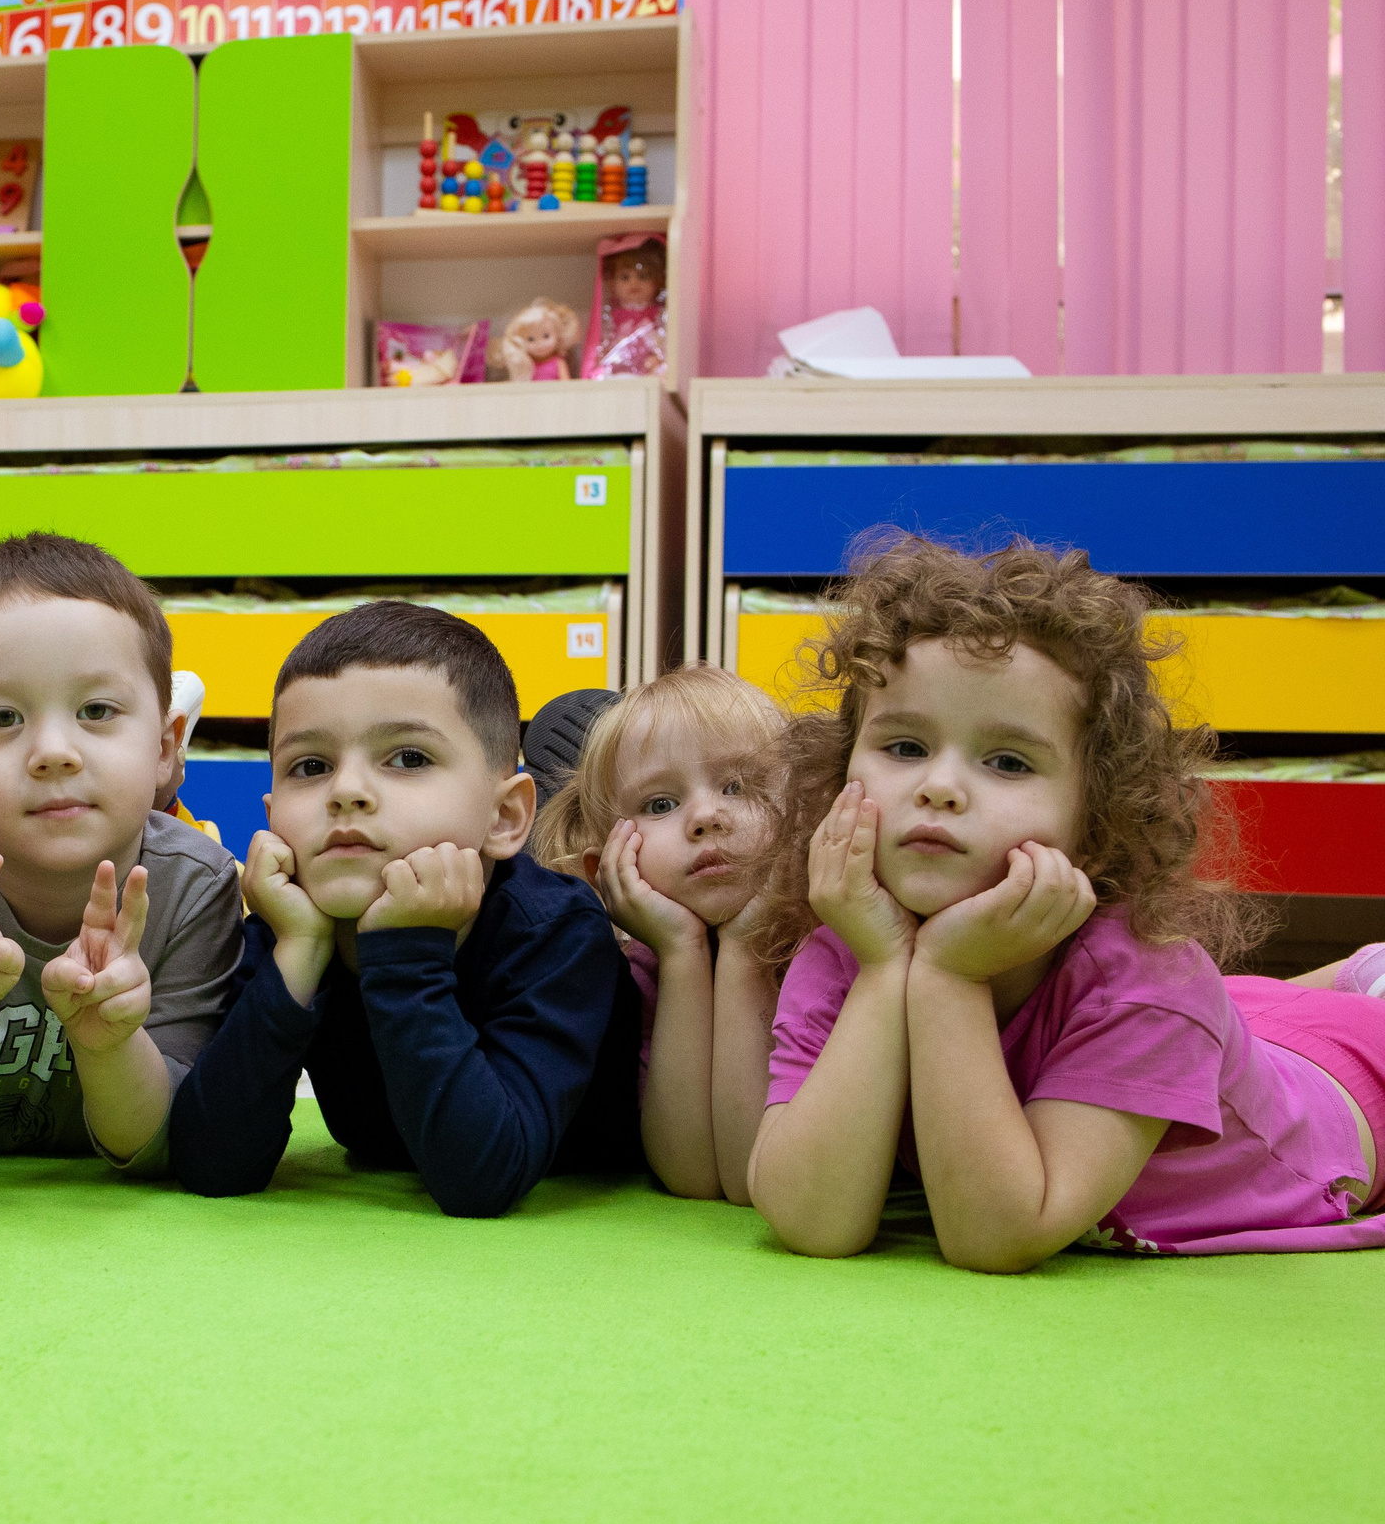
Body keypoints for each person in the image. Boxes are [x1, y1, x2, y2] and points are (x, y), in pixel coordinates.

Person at [745, 536, 1385, 1267]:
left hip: (1352, 1088)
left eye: (1008, 762)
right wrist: (887, 969)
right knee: (1244, 1017)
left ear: (1097, 823)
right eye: (904, 748)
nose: (940, 786)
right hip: (1244, 1034)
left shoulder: (1152, 982)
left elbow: (998, 1232)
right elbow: (812, 1219)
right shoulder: (855, 941)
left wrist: (950, 976)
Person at [169, 601, 638, 1217]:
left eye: (409, 758)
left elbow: (483, 1179)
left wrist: (409, 952)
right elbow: (210, 1164)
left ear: (505, 817)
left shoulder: (558, 932)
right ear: (272, 816)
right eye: (310, 766)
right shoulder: (293, 927)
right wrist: (299, 956)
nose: (347, 792)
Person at [0, 532, 243, 1180]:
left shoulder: (197, 884)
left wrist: (111, 1048)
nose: (53, 750)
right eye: (2, 718)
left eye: (96, 710)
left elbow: (178, 1147)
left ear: (166, 747)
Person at [534, 666, 788, 1203]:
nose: (705, 816)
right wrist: (682, 953)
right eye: (660, 805)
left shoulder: (834, 951)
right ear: (606, 865)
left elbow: (753, 1175)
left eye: (738, 786)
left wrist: (745, 947)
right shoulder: (641, 971)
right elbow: (692, 1176)